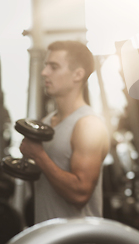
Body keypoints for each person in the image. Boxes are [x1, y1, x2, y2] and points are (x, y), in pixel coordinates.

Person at [20, 40, 109, 223]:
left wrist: (38, 156)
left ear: (77, 74)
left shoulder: (87, 125)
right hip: (48, 236)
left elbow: (80, 194)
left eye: (54, 67)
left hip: (78, 239)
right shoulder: (46, 122)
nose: (44, 72)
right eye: (46, 66)